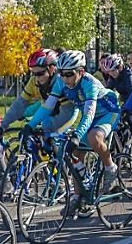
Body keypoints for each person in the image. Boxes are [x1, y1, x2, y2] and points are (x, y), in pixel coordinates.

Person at [27, 49, 120, 198]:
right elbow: (47, 107)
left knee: (94, 137)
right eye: (61, 73)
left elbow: (89, 113)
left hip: (107, 112)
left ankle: (111, 168)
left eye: (69, 74)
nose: (65, 78)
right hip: (89, 116)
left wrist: (77, 134)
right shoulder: (60, 82)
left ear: (81, 71)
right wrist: (29, 125)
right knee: (75, 154)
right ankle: (78, 197)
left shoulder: (90, 84)